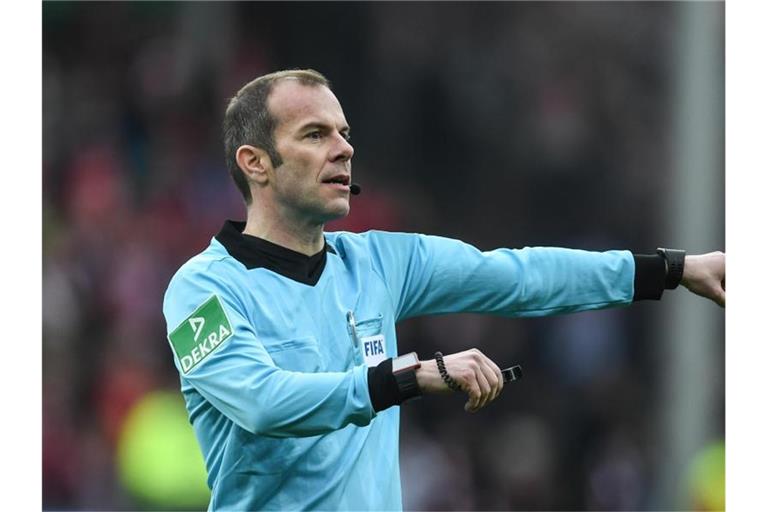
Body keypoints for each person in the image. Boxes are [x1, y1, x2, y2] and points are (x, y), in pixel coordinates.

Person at [162, 69, 725, 511]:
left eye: (345, 133)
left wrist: (672, 269)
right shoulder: (201, 292)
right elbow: (263, 403)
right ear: (255, 163)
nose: (343, 148)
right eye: (315, 134)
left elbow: (520, 276)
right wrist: (409, 376)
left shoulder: (380, 263)